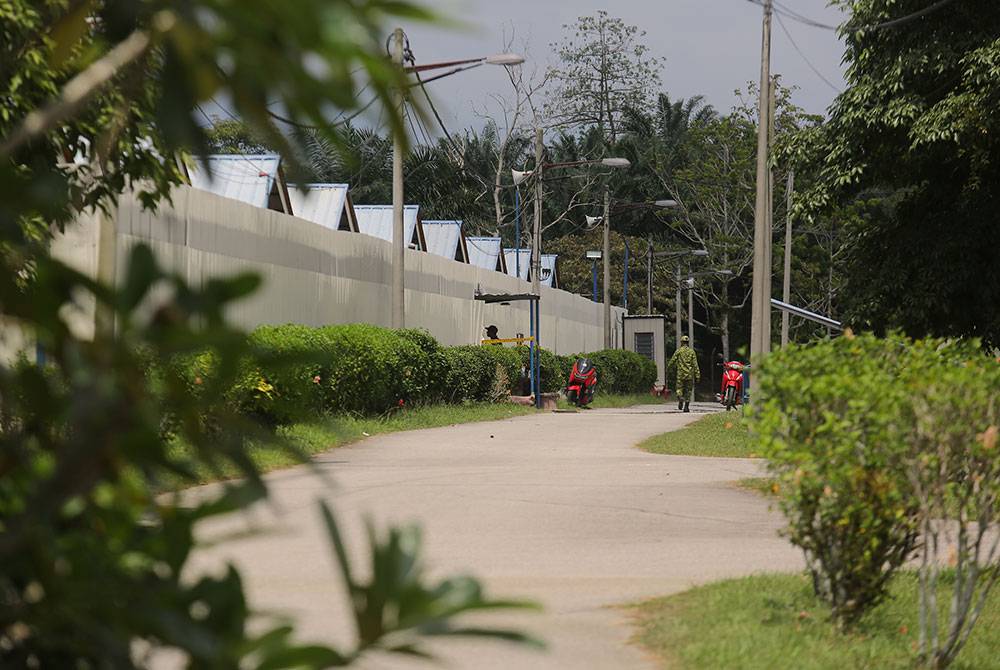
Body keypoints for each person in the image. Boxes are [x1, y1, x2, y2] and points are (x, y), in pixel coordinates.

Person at [667, 335, 700, 412]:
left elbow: (672, 361)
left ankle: (680, 398)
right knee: (688, 391)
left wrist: (668, 368)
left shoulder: (678, 351)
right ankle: (686, 407)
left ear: (681, 342)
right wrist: (697, 375)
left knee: (679, 389)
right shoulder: (692, 352)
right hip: (689, 375)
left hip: (680, 374)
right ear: (688, 343)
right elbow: (695, 364)